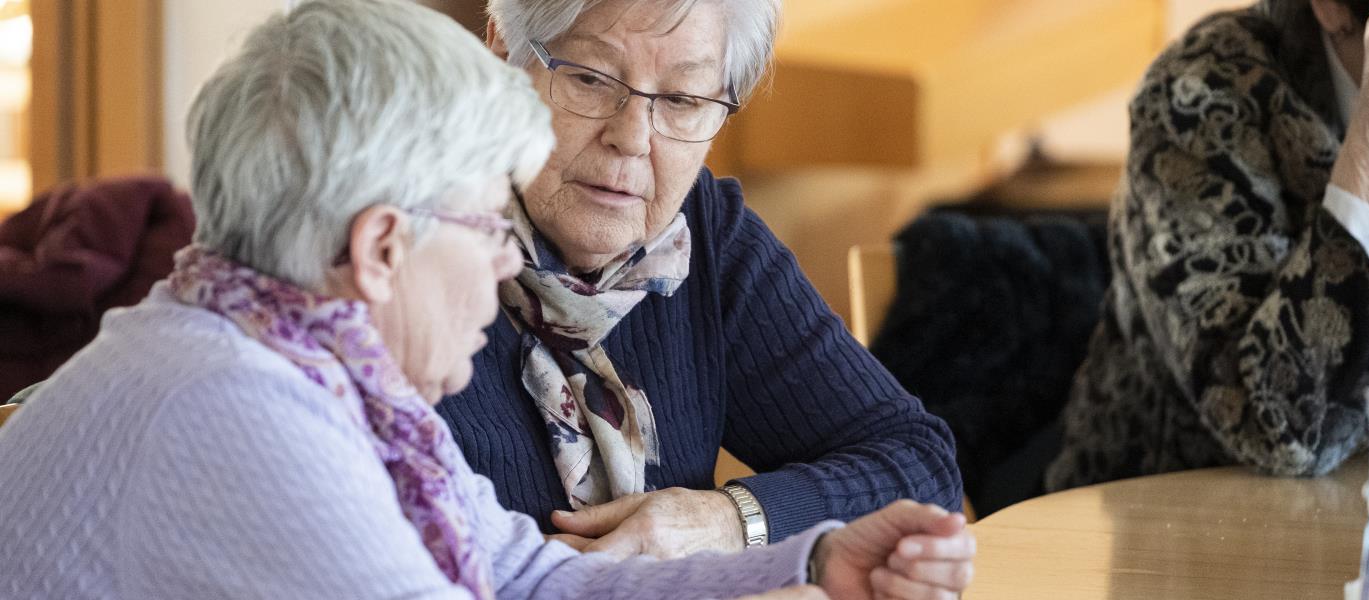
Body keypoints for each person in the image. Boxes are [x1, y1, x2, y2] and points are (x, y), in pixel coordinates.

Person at [0, 1, 976, 598]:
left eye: (682, 100)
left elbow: (528, 577)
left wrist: (803, 563)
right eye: (483, 226)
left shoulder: (295, 362)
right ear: (382, 248)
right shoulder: (237, 407)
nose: (506, 256)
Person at [437, 0, 963, 559]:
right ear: (502, 52)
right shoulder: (401, 253)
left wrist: (729, 521)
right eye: (590, 79)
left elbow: (918, 467)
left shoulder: (700, 237)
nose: (633, 137)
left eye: (683, 100)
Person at [1047, 0, 1369, 491]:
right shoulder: (1197, 98)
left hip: (1361, 516)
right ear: (1330, 9)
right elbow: (1280, 431)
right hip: (1175, 521)